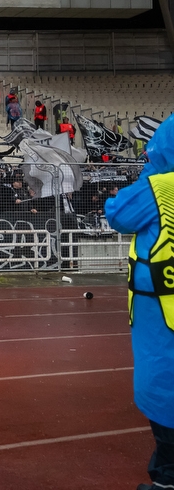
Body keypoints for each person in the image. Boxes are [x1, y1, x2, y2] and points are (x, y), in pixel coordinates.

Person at [104, 115, 174, 490]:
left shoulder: (159, 188)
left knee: (167, 406)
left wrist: (153, 170)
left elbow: (118, 213)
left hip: (163, 326)